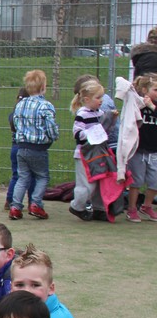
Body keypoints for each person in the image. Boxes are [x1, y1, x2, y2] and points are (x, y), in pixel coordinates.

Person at [9, 69, 59, 220]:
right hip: (38, 148)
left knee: (22, 177)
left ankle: (15, 207)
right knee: (42, 176)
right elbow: (50, 126)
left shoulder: (20, 105)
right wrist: (53, 136)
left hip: (21, 147)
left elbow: (16, 123)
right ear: (43, 87)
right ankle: (36, 203)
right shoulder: (46, 106)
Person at [69, 79, 113, 220]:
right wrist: (91, 133)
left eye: (102, 97)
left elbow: (105, 131)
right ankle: (77, 206)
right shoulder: (82, 114)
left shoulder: (100, 113)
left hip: (99, 153)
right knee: (87, 185)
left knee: (101, 181)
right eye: (98, 97)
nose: (101, 100)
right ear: (87, 99)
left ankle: (99, 209)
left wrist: (110, 120)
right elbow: (77, 133)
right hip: (85, 154)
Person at [126, 74, 157, 222]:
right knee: (136, 181)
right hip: (138, 150)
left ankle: (147, 206)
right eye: (155, 89)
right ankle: (132, 208)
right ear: (145, 90)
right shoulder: (137, 104)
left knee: (155, 181)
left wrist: (152, 106)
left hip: (154, 151)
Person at [4, 88, 32, 211]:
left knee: (16, 175)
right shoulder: (28, 116)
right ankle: (33, 202)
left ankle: (9, 200)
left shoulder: (13, 115)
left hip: (14, 148)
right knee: (32, 175)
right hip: (26, 147)